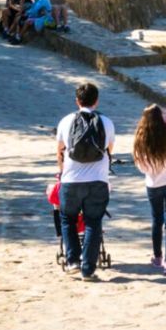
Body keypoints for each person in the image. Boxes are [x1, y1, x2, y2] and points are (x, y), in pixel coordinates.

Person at [55, 82, 115, 281]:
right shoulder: (106, 122)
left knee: (67, 219)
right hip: (97, 181)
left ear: (77, 101)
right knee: (93, 222)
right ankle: (88, 269)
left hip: (71, 180)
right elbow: (109, 151)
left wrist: (61, 173)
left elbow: (60, 152)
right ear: (96, 101)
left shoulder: (65, 121)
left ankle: (72, 260)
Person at [132, 105, 166, 276]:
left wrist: (151, 170)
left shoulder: (141, 139)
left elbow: (140, 165)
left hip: (153, 184)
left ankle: (157, 257)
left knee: (157, 220)